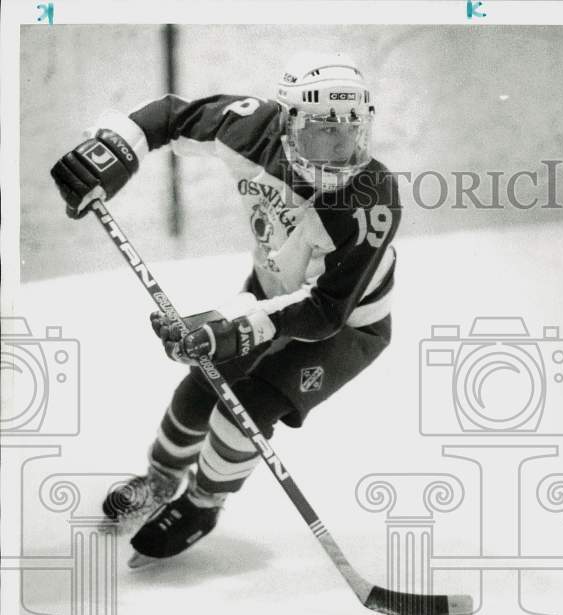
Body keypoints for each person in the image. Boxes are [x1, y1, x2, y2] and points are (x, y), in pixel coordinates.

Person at [50, 52, 400, 567]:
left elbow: (325, 310)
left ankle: (202, 503)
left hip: (347, 327)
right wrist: (115, 148)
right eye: (319, 133)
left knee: (247, 411)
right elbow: (170, 116)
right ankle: (160, 480)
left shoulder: (370, 195)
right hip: (266, 293)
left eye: (348, 134)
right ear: (285, 123)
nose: (337, 154)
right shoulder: (251, 128)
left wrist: (232, 328)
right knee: (197, 393)